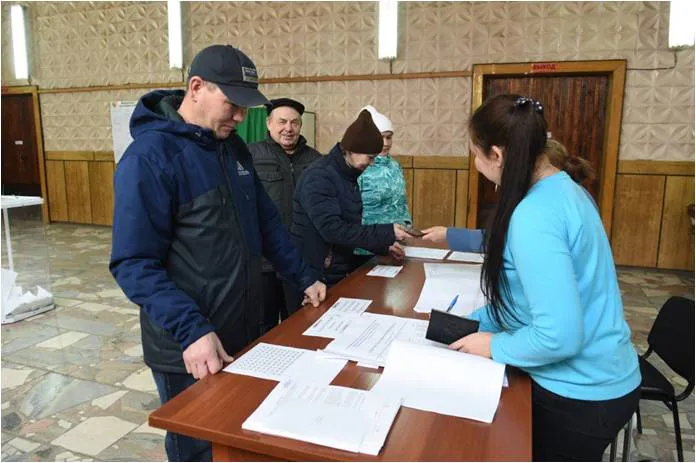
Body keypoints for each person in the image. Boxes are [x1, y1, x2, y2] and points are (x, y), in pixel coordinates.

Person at [109, 45, 326, 462]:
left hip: (241, 329)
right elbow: (133, 263)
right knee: (198, 450)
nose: (240, 117)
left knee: (237, 441)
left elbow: (266, 223)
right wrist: (191, 329)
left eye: (245, 107)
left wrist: (304, 276)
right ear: (196, 88)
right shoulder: (150, 158)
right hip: (188, 344)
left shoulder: (232, 148)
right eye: (232, 104)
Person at [449, 94, 640, 461]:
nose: (475, 164)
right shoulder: (566, 188)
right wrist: (474, 323)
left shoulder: (535, 214)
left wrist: (493, 345)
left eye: (475, 154)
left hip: (580, 392)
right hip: (606, 373)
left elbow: (558, 336)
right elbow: (530, 296)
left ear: (497, 155)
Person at [290, 110, 413, 301]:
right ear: (352, 149)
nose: (372, 163)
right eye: (370, 157)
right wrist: (387, 233)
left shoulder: (347, 173)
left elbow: (351, 228)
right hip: (313, 274)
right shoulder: (319, 176)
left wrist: (382, 246)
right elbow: (334, 230)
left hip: (334, 268)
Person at [420, 138, 596, 251]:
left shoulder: (539, 207)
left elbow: (502, 241)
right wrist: (448, 234)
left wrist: (449, 234)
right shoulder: (574, 193)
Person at [249, 98, 321, 334]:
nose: (288, 128)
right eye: (282, 122)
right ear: (269, 124)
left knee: (301, 324)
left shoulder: (316, 160)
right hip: (263, 262)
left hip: (301, 261)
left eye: (294, 123)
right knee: (263, 328)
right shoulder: (250, 156)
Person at [354, 105, 412, 256]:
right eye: (381, 137)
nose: (385, 143)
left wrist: (407, 227)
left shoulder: (395, 166)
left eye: (389, 137)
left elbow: (402, 203)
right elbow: (351, 213)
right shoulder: (359, 168)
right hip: (366, 247)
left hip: (398, 243)